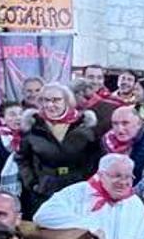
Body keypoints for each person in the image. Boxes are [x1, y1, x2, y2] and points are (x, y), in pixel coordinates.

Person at [16, 84, 102, 216]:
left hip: (77, 189)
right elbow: (23, 159)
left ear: (67, 101)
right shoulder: (33, 128)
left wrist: (85, 181)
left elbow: (95, 158)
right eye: (46, 100)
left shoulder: (84, 127)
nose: (51, 105)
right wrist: (32, 183)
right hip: (43, 191)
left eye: (56, 100)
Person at [103, 106, 144, 180]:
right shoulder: (106, 141)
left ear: (139, 124)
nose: (120, 129)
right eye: (115, 124)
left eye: (125, 123)